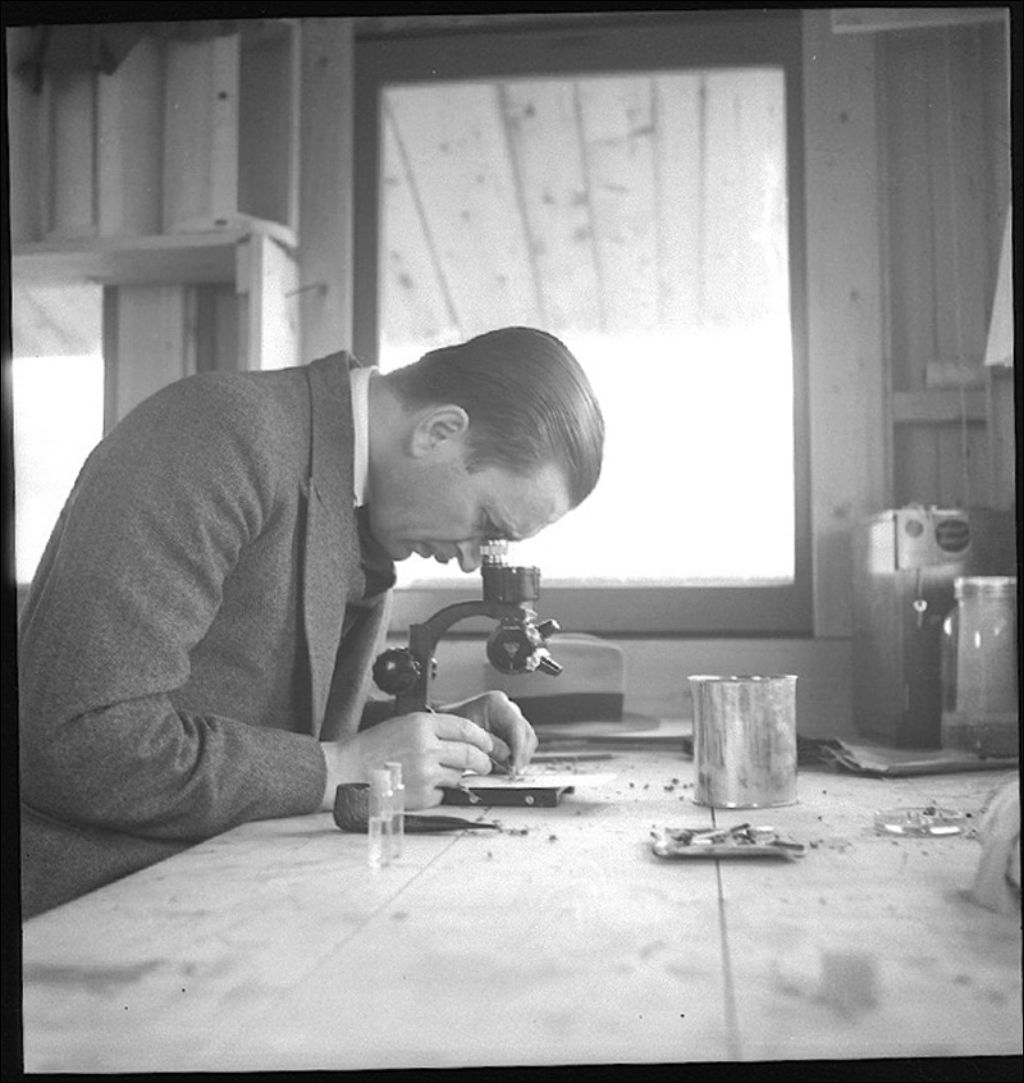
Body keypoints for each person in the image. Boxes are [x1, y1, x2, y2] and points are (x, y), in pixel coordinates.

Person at [18, 327, 604, 917]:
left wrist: (430, 735)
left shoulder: (359, 499)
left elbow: (271, 719)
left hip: (224, 884)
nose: (473, 560)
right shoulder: (220, 434)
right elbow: (75, 741)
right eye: (487, 524)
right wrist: (343, 767)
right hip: (89, 903)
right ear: (439, 432)